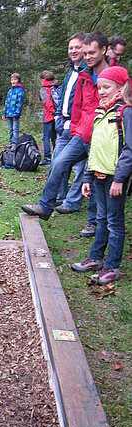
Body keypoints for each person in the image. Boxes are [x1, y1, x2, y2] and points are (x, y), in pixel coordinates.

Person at [22, 31, 109, 234]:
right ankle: (45, 206)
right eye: (85, 53)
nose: (87, 56)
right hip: (81, 134)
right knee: (59, 162)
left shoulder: (113, 75)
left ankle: (94, 222)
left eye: (91, 52)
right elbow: (77, 105)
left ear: (104, 51)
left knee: (96, 179)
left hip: (101, 137)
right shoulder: (83, 76)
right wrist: (75, 127)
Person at [71, 66, 132, 284]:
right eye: (99, 88)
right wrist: (87, 177)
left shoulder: (125, 112)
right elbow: (94, 147)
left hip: (115, 179)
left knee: (114, 223)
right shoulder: (100, 112)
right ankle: (96, 258)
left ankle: (112, 266)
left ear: (120, 88)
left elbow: (129, 150)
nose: (102, 92)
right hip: (98, 177)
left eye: (107, 87)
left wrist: (119, 179)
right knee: (101, 219)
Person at [51, 33, 86, 212]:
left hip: (79, 127)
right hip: (64, 125)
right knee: (57, 163)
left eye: (77, 47)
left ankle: (73, 202)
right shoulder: (70, 73)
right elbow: (62, 98)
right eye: (71, 48)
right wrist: (58, 116)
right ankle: (59, 197)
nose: (73, 51)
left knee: (80, 168)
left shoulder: (88, 73)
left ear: (85, 49)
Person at [39, 70, 58, 166]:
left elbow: (47, 102)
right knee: (54, 137)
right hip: (57, 116)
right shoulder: (57, 86)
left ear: (43, 79)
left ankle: (47, 158)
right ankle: (56, 156)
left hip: (48, 116)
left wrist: (52, 112)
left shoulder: (44, 89)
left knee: (46, 137)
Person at [2, 72, 24, 148]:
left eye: (15, 79)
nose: (13, 81)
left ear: (18, 80)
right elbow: (7, 103)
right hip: (8, 113)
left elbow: (19, 103)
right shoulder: (10, 91)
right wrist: (4, 113)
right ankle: (11, 142)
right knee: (10, 129)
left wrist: (17, 113)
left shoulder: (20, 90)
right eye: (12, 80)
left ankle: (15, 144)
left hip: (15, 114)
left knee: (15, 129)